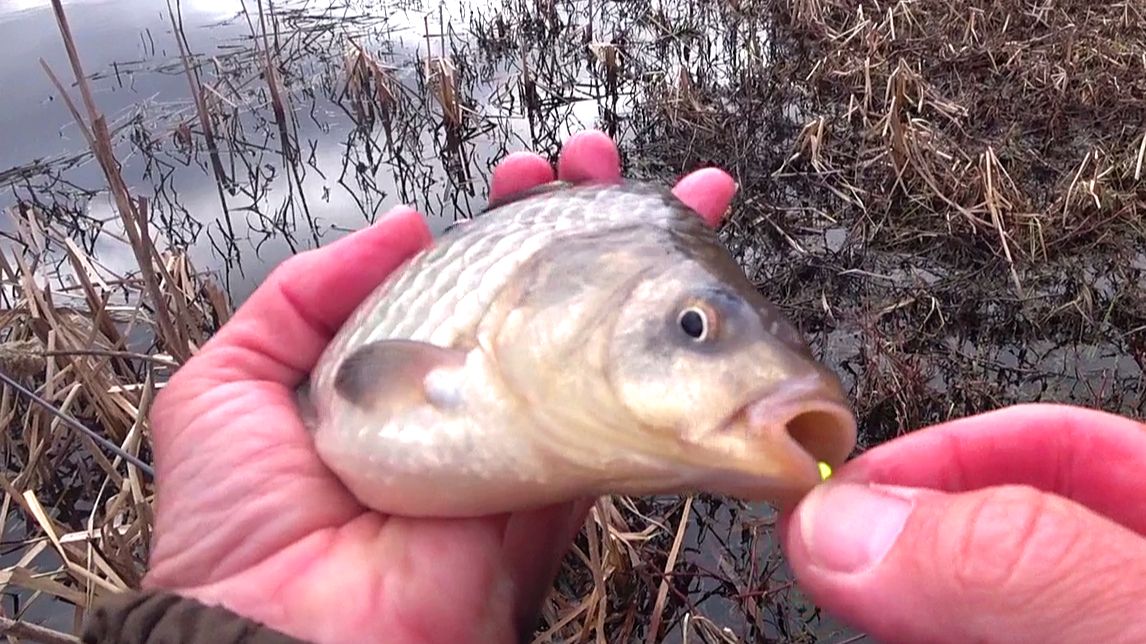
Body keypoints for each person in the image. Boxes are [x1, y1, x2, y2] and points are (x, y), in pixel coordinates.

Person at [81, 131, 1146, 644]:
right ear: (536, 305)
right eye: (694, 326)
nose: (712, 343)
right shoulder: (457, 350)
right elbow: (365, 386)